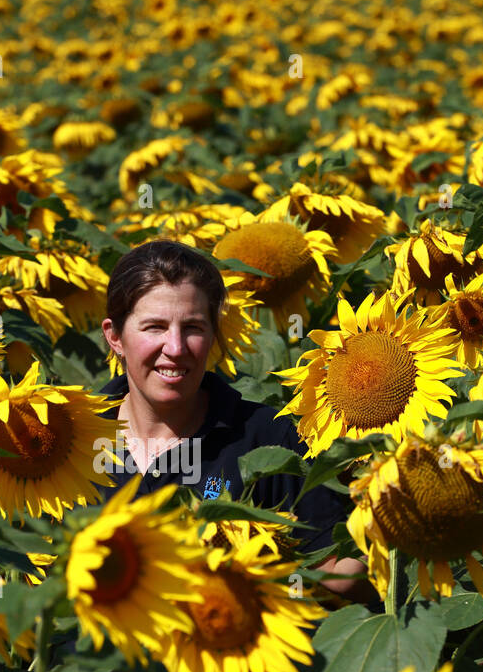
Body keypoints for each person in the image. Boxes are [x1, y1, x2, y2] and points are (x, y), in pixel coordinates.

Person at [96, 238, 368, 595]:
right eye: (155, 327)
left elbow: (329, 572)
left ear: (214, 335)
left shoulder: (267, 438)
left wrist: (388, 517)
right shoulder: (70, 440)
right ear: (115, 336)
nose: (175, 348)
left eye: (193, 327)